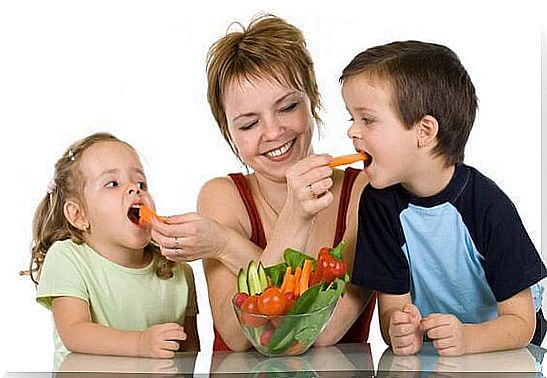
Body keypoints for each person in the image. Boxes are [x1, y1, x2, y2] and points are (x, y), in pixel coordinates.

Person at [150, 14, 375, 351]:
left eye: (287, 107)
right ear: (229, 134)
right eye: (248, 124)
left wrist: (227, 245)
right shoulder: (221, 196)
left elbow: (320, 332)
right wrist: (292, 219)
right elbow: (239, 336)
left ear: (312, 99)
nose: (272, 132)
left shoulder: (365, 192)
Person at [343, 40, 546, 356]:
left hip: (507, 349)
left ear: (424, 131)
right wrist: (399, 330)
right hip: (440, 352)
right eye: (351, 118)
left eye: (367, 119)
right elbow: (390, 311)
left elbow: (522, 323)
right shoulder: (378, 204)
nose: (352, 132)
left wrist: (468, 339)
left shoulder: (488, 206)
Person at [25, 132, 199, 361]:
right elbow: (74, 333)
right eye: (112, 183)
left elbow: (190, 353)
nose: (134, 190)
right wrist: (140, 343)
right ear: (78, 216)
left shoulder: (178, 269)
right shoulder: (68, 258)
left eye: (141, 183)